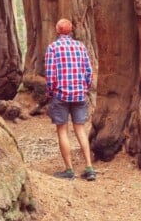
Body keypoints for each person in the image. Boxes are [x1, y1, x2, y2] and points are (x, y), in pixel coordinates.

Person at [44, 18, 96, 181]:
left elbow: (50, 75)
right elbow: (89, 71)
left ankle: (69, 170)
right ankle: (89, 168)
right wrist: (84, 88)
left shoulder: (53, 48)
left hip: (60, 95)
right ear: (71, 30)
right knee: (80, 129)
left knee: (62, 130)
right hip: (80, 94)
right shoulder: (80, 47)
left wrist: (50, 92)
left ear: (57, 30)